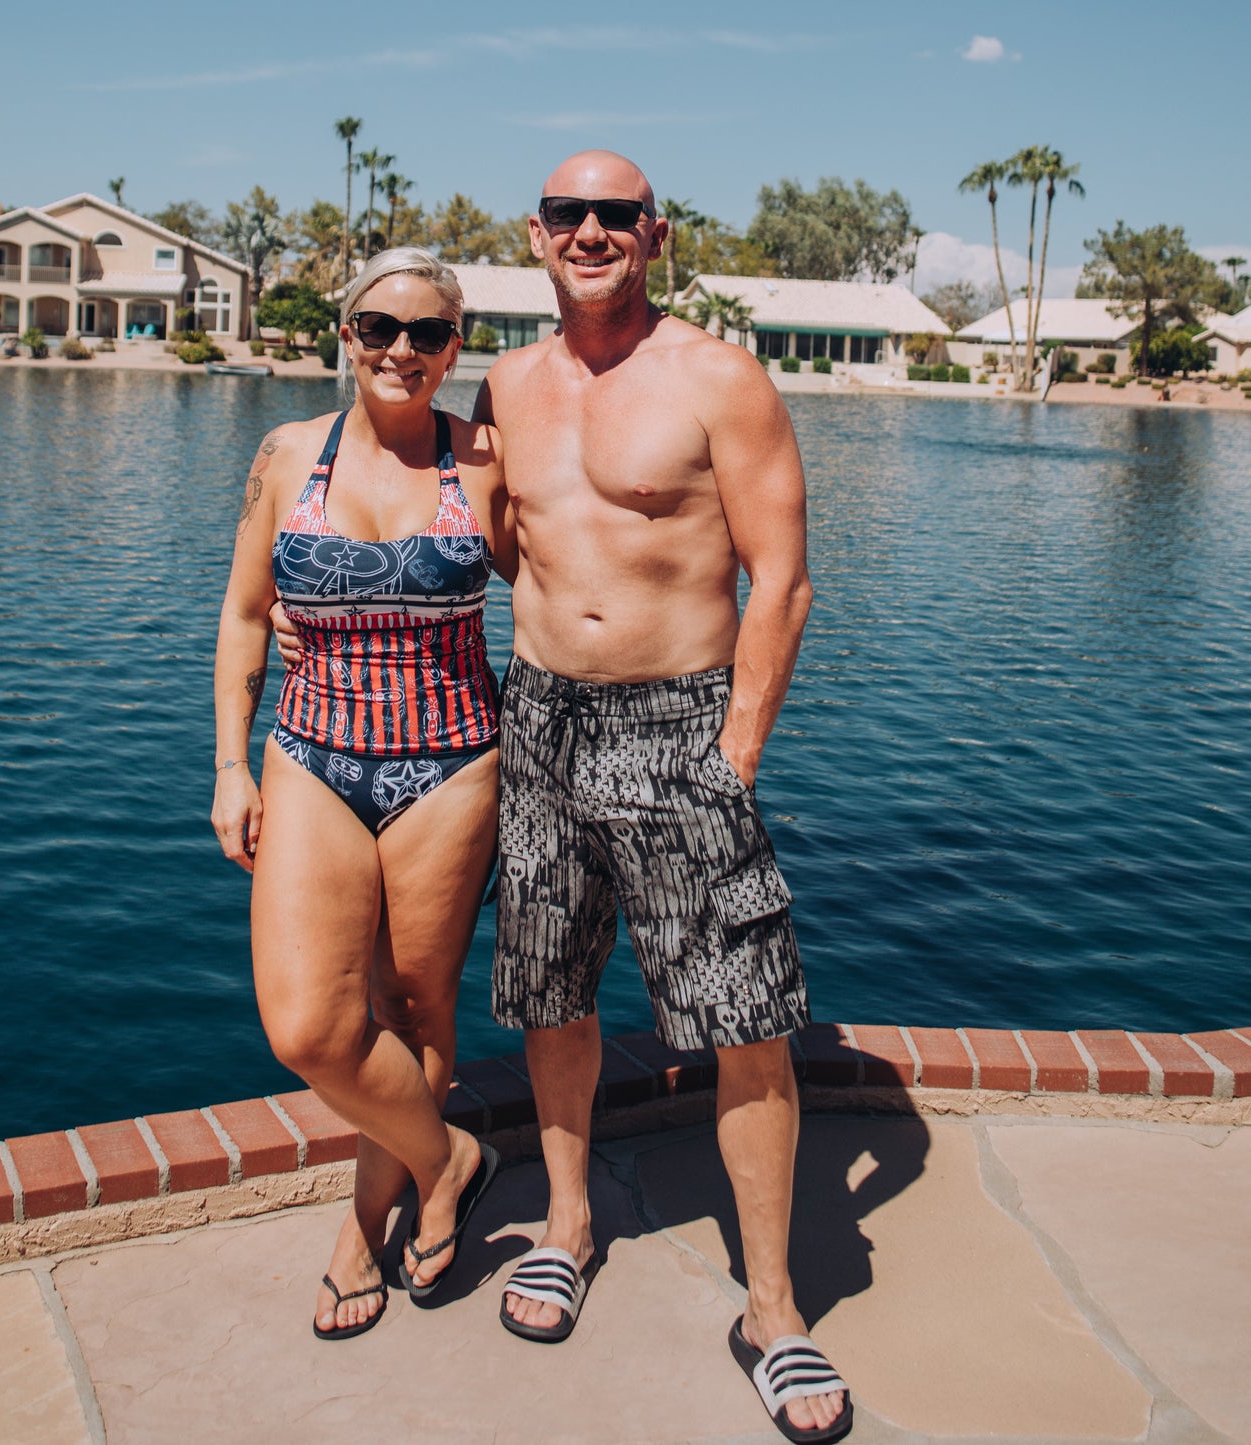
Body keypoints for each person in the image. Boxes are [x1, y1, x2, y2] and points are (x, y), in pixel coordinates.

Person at [478, 153, 849, 1442]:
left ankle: (772, 1307)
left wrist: (732, 755)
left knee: (744, 1014)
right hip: (537, 718)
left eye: (615, 214)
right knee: (550, 991)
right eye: (568, 213)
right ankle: (567, 1223)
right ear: (537, 235)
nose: (591, 231)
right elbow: (475, 539)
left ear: (656, 234)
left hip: (677, 725)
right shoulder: (507, 383)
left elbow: (781, 581)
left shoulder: (717, 376)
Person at [212, 247, 510, 1340]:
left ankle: (360, 1229)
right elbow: (246, 612)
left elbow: (570, 568)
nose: (400, 349)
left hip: (450, 761)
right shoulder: (290, 454)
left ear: (453, 346)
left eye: (427, 334)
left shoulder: (481, 460)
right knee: (309, 1025)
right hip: (312, 755)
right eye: (378, 327)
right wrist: (229, 764)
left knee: (418, 1009)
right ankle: (451, 1159)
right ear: (346, 333)